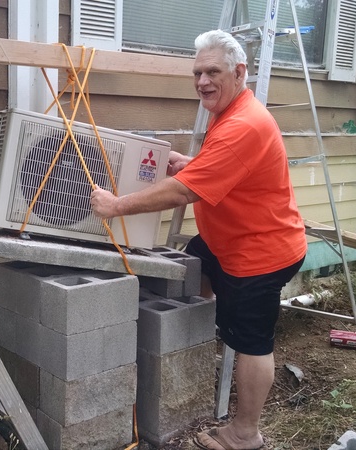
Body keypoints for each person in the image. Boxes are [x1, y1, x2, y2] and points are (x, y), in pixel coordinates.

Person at [90, 29, 307, 450]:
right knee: (189, 279)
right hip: (224, 238)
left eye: (213, 72)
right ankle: (192, 355)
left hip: (259, 252)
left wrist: (116, 206)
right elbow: (227, 167)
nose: (202, 81)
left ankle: (245, 433)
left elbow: (183, 192)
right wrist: (192, 163)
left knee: (252, 342)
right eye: (197, 73)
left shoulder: (244, 123)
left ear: (239, 72)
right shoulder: (228, 108)